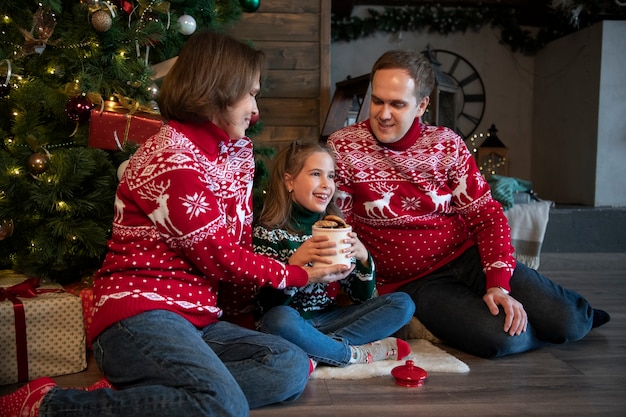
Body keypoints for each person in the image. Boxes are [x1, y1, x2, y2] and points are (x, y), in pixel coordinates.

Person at [0, 30, 352, 417]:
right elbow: (220, 257)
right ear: (218, 89)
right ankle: (50, 404)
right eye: (250, 93)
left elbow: (238, 248)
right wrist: (299, 274)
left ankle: (155, 391)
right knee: (223, 404)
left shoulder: (233, 156)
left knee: (288, 366)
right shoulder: (171, 158)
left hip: (198, 320)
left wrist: (244, 319)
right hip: (140, 315)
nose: (256, 109)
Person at [327, 49, 611, 359]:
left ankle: (564, 319)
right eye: (378, 100)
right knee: (503, 340)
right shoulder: (343, 146)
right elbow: (342, 224)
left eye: (397, 104)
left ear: (422, 105)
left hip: (469, 256)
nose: (382, 113)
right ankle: (536, 327)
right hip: (415, 282)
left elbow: (487, 216)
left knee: (571, 322)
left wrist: (498, 285)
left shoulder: (446, 144)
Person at [253, 141, 415, 368]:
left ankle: (319, 350)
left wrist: (364, 260)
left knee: (403, 304)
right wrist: (293, 266)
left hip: (332, 320)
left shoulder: (337, 230)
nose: (326, 184)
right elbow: (264, 306)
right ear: (289, 181)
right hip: (291, 322)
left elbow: (362, 299)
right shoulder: (268, 232)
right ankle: (352, 354)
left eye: (331, 176)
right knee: (277, 319)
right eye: (316, 174)